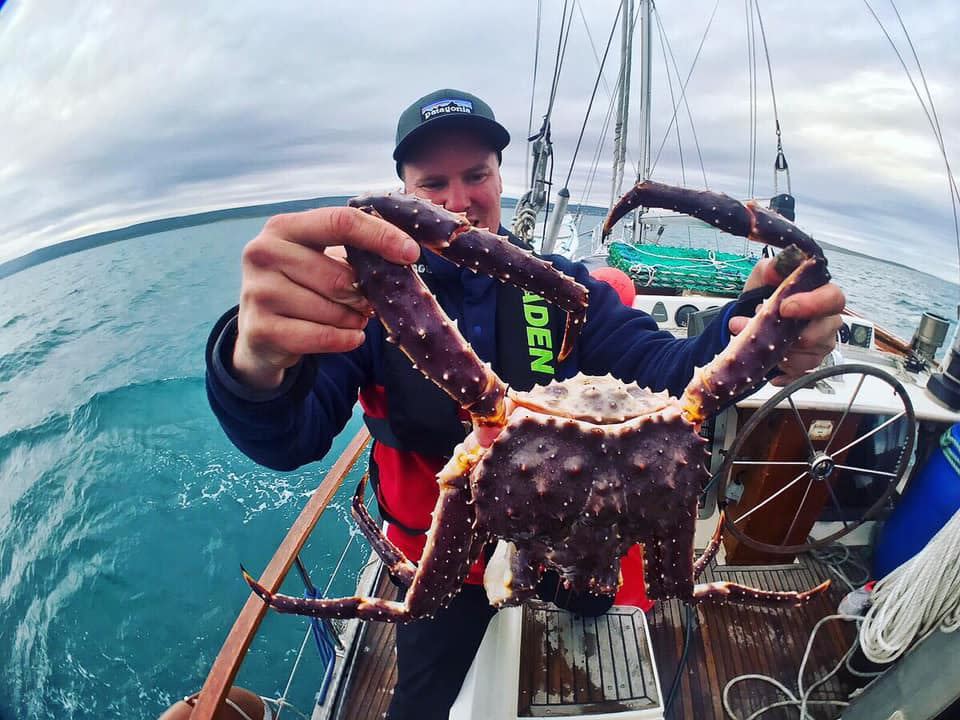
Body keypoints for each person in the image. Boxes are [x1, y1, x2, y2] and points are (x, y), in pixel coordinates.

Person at [205, 88, 845, 719]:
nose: (459, 200)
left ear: (500, 175)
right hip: (440, 568)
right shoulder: (370, 301)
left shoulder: (567, 288)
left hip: (576, 548)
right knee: (420, 704)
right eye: (433, 184)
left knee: (595, 690)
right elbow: (291, 436)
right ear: (402, 190)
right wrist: (254, 363)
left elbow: (672, 372)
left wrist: (756, 319)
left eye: (476, 174)